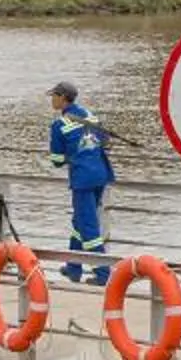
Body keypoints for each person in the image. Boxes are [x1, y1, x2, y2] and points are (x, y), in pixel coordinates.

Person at [45, 81, 115, 283]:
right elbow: (102, 140)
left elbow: (57, 161)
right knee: (79, 221)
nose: (52, 100)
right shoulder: (89, 115)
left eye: (54, 96)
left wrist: (71, 156)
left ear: (63, 98)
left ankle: (103, 273)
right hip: (101, 173)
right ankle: (73, 266)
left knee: (88, 226)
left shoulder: (59, 125)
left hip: (83, 179)